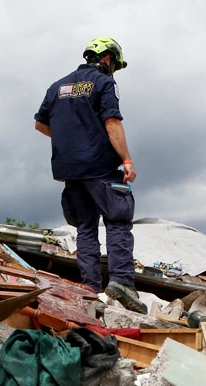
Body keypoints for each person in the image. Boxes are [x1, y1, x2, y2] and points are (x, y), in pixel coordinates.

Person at [33, 37, 147, 314]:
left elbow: (40, 124)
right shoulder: (104, 83)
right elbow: (112, 122)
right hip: (100, 165)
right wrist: (126, 159)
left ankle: (90, 289)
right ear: (108, 58)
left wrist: (71, 140)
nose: (115, 70)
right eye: (115, 64)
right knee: (117, 220)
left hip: (70, 170)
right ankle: (122, 283)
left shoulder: (57, 86)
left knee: (85, 227)